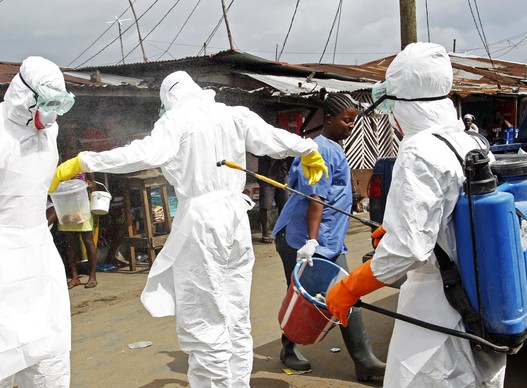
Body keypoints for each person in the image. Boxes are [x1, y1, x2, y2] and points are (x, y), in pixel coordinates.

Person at [49, 70, 328, 388]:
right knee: (235, 311)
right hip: (235, 219)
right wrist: (307, 149)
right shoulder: (232, 115)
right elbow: (272, 140)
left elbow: (143, 153)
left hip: (203, 222)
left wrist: (84, 161)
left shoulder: (176, 120)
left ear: (169, 98)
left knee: (204, 315)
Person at [325, 42, 507, 387]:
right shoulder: (472, 141)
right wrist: (393, 231)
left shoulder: (418, 150)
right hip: (483, 299)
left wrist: (349, 287)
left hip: (440, 312)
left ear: (402, 104)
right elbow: (452, 219)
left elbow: (408, 251)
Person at [271, 90, 386, 381]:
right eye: (346, 121)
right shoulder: (320, 149)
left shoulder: (332, 146)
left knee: (344, 294)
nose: (350, 126)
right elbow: (316, 200)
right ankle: (293, 350)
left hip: (328, 238)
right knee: (307, 297)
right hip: (302, 238)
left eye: (353, 121)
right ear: (330, 118)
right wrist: (311, 242)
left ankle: (364, 362)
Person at [0, 56, 75, 387]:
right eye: (47, 104)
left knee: (50, 356)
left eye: (58, 104)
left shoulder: (51, 131)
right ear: (24, 95)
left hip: (40, 256)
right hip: (4, 255)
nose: (52, 112)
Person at [57, 133, 100, 289]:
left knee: (88, 241)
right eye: (68, 146)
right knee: (69, 243)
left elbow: (93, 182)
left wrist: (89, 183)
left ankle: (92, 276)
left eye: (73, 146)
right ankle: (75, 277)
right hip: (66, 207)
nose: (71, 149)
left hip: (82, 206)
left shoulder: (82, 161)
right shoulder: (59, 162)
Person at [257, 154, 290, 243]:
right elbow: (255, 151)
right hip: (266, 173)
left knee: (285, 205)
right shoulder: (263, 140)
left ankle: (282, 231)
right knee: (265, 205)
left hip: (282, 173)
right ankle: (265, 232)